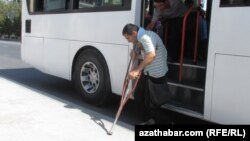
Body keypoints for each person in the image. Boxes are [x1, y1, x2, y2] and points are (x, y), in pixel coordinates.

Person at [122, 23, 171, 125]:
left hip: (156, 74)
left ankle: (167, 123)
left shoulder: (146, 37)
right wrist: (137, 55)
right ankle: (148, 120)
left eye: (128, 38)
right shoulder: (141, 37)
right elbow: (148, 55)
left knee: (152, 105)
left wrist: (136, 70)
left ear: (134, 33)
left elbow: (151, 55)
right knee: (139, 96)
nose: (128, 40)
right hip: (148, 72)